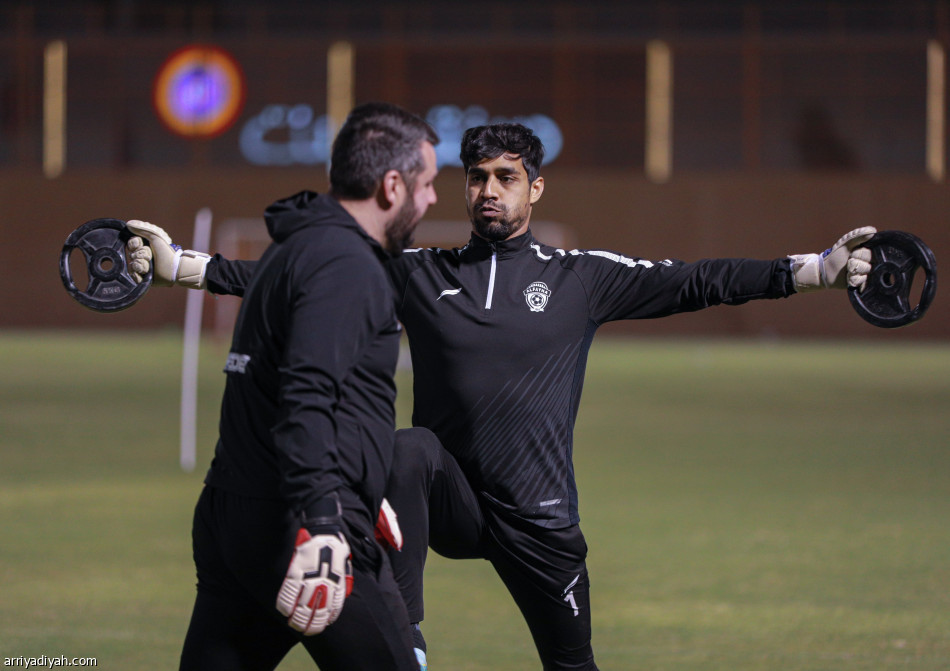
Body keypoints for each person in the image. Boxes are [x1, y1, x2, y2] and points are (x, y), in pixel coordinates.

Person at [130, 122, 874, 671]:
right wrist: (184, 267)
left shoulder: (584, 274)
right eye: (477, 176)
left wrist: (813, 270)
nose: (488, 190)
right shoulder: (418, 271)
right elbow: (296, 275)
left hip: (540, 518)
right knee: (407, 448)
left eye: (505, 176)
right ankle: (409, 638)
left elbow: (696, 281)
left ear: (534, 187)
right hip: (450, 500)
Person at [126, 102, 439, 671]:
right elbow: (307, 396)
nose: (433, 199)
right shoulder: (348, 265)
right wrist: (325, 519)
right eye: (428, 183)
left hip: (232, 516)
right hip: (302, 525)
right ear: (392, 185)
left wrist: (364, 490)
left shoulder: (293, 249)